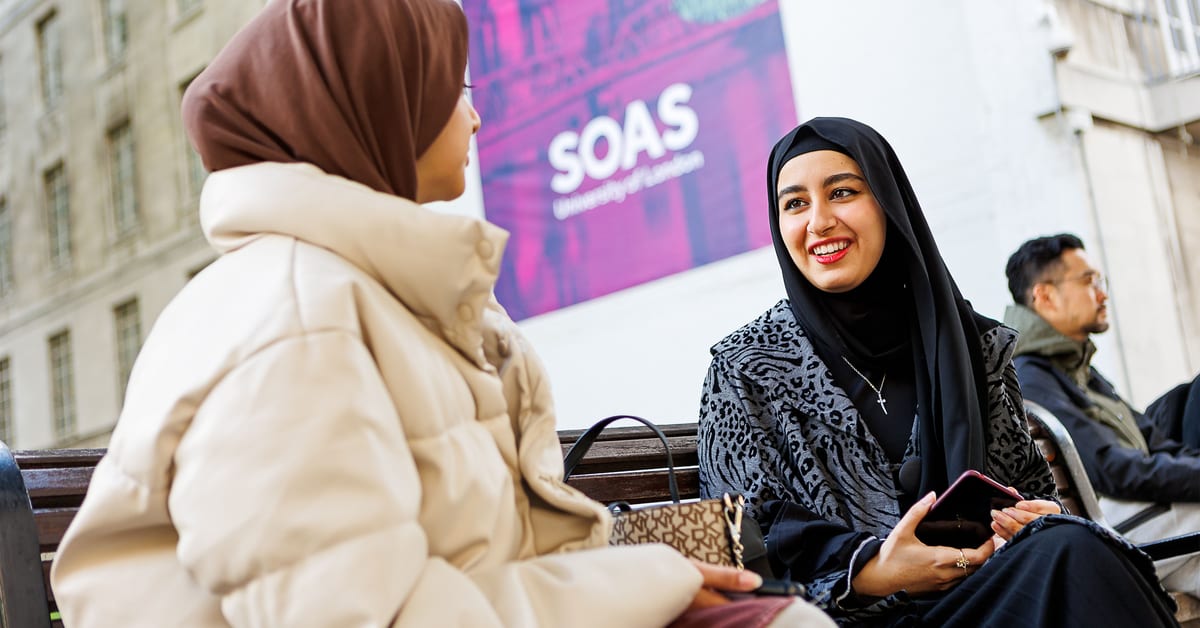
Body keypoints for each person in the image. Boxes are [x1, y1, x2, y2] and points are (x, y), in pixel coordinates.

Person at [49, 2, 834, 626]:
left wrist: (652, 585)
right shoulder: (295, 317)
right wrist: (645, 583)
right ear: (381, 102)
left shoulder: (372, 290)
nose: (476, 119)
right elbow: (364, 615)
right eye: (456, 90)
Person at [698, 117, 1179, 626]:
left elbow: (1030, 489)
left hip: (979, 598)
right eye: (795, 203)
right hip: (848, 618)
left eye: (841, 192)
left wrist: (1036, 518)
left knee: (1071, 549)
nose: (818, 221)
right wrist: (874, 572)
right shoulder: (745, 369)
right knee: (1076, 558)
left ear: (889, 203)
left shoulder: (969, 344)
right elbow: (743, 542)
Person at [1004, 233, 1200, 597]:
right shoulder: (1032, 376)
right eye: (1088, 281)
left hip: (1146, 517)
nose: (1102, 294)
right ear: (1045, 296)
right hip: (1112, 529)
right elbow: (1112, 469)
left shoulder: (1079, 369)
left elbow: (1154, 440)